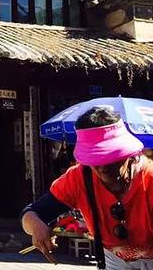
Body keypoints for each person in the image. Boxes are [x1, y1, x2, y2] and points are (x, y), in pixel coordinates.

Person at [21, 106, 153, 269]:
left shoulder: (149, 178)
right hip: (114, 257)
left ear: (128, 154)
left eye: (110, 157)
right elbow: (31, 213)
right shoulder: (79, 178)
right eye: (94, 159)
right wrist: (36, 226)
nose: (102, 167)